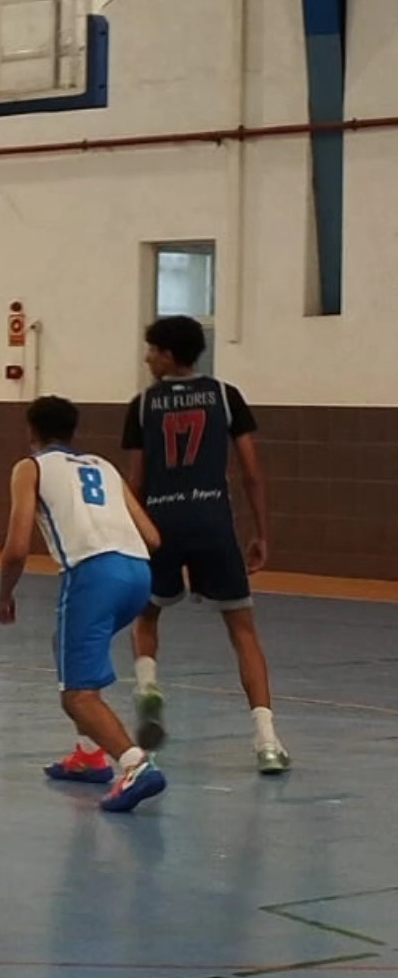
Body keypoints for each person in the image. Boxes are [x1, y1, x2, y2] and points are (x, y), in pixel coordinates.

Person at [121, 316, 291, 774]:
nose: (147, 358)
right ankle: (267, 741)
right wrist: (261, 531)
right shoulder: (225, 396)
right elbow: (252, 472)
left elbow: (136, 481)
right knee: (243, 632)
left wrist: (130, 532)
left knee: (147, 615)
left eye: (151, 350)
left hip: (160, 523)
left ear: (168, 354)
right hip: (212, 521)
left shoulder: (143, 405)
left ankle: (148, 685)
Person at [0, 396, 167, 814]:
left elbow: (16, 548)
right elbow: (152, 537)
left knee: (76, 694)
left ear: (31, 431)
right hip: (138, 574)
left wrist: (5, 594)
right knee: (67, 646)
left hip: (94, 575)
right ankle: (89, 754)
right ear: (73, 431)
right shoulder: (103, 466)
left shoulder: (30, 467)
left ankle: (135, 764)